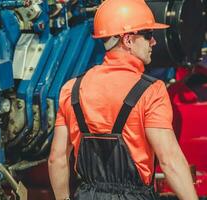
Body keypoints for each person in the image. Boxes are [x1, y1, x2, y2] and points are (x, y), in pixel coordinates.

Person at [48, 0, 198, 199]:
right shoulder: (151, 91)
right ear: (127, 40)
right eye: (148, 35)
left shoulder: (71, 89)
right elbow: (170, 160)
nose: (154, 42)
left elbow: (57, 159)